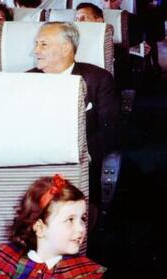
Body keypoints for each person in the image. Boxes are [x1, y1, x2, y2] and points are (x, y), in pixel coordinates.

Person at [28, 22, 120, 203]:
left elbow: (111, 130)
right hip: (35, 162)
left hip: (80, 164)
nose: (36, 51)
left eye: (43, 44)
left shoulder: (98, 79)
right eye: (36, 44)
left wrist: (80, 156)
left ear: (66, 48)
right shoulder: (26, 81)